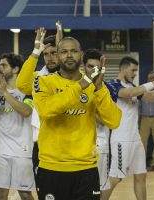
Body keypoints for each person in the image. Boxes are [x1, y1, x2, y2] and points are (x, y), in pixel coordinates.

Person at [32, 37, 122, 200]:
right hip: (52, 169)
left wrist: (100, 88)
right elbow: (46, 110)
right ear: (57, 56)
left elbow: (114, 121)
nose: (69, 55)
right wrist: (82, 84)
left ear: (81, 55)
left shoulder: (95, 86)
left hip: (86, 170)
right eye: (64, 51)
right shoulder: (44, 81)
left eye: (73, 51)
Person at [101, 57, 154, 200]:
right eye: (132, 70)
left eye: (136, 70)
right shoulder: (113, 85)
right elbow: (129, 94)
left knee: (141, 176)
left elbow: (151, 97)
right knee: (115, 178)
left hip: (135, 140)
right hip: (121, 140)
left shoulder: (132, 86)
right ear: (122, 69)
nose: (135, 73)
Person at [0, 53, 35, 200]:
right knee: (0, 193)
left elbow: (26, 111)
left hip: (22, 150)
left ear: (16, 69)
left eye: (3, 65)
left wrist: (4, 92)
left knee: (25, 193)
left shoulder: (27, 91)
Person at [16, 22, 63, 189]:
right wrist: (36, 50)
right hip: (42, 145)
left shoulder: (72, 76)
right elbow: (22, 85)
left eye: (54, 53)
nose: (50, 57)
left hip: (67, 142)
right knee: (45, 192)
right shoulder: (38, 77)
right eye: (46, 54)